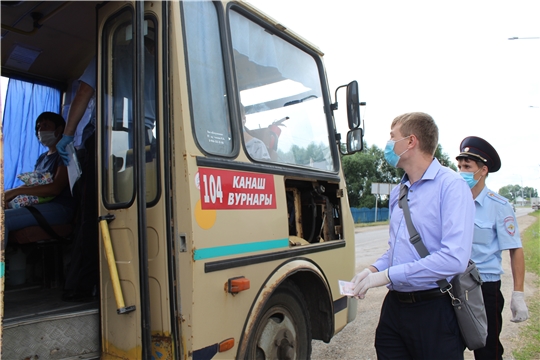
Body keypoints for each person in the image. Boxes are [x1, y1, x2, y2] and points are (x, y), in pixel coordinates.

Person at [351, 112, 475, 359]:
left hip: (434, 311)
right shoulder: (399, 191)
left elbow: (453, 259)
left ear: (411, 141)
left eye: (392, 136)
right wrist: (374, 270)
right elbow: (398, 249)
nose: (388, 144)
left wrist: (388, 275)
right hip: (394, 309)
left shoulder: (452, 186)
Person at [456, 136, 529, 360]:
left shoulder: (499, 206)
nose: (461, 172)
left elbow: (515, 249)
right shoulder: (453, 202)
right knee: (448, 346)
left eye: (467, 166)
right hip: (453, 286)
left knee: (487, 351)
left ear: (483, 170)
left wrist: (518, 293)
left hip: (484, 287)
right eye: (459, 166)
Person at [56, 56, 99, 302]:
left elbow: (84, 91)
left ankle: (83, 287)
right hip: (144, 140)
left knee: (90, 217)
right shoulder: (156, 60)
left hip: (105, 140)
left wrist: (68, 134)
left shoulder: (107, 54)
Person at [4, 112, 76, 244]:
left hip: (60, 208)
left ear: (59, 129)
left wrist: (17, 191)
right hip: (41, 205)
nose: (40, 130)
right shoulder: (42, 158)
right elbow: (34, 187)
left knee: (3, 220)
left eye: (46, 125)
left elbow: (55, 188)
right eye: (38, 127)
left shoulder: (65, 154)